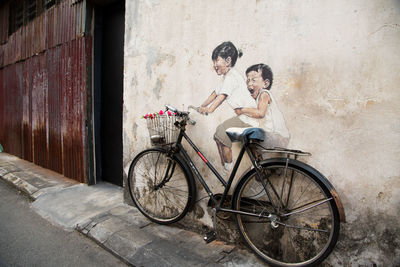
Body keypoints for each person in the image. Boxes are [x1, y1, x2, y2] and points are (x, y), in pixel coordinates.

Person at [199, 41, 258, 172]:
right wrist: (201, 106)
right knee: (218, 136)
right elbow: (215, 94)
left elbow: (221, 97)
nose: (214, 65)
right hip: (244, 117)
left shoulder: (232, 77)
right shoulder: (226, 78)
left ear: (228, 60)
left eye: (217, 60)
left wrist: (210, 110)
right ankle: (226, 168)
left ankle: (229, 172)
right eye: (213, 61)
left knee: (221, 133)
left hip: (248, 118)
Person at [235, 63, 290, 150]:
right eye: (248, 80)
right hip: (273, 135)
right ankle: (258, 162)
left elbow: (260, 113)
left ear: (265, 84)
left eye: (253, 80)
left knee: (246, 136)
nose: (249, 83)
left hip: (278, 136)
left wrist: (242, 110)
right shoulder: (256, 98)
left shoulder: (264, 94)